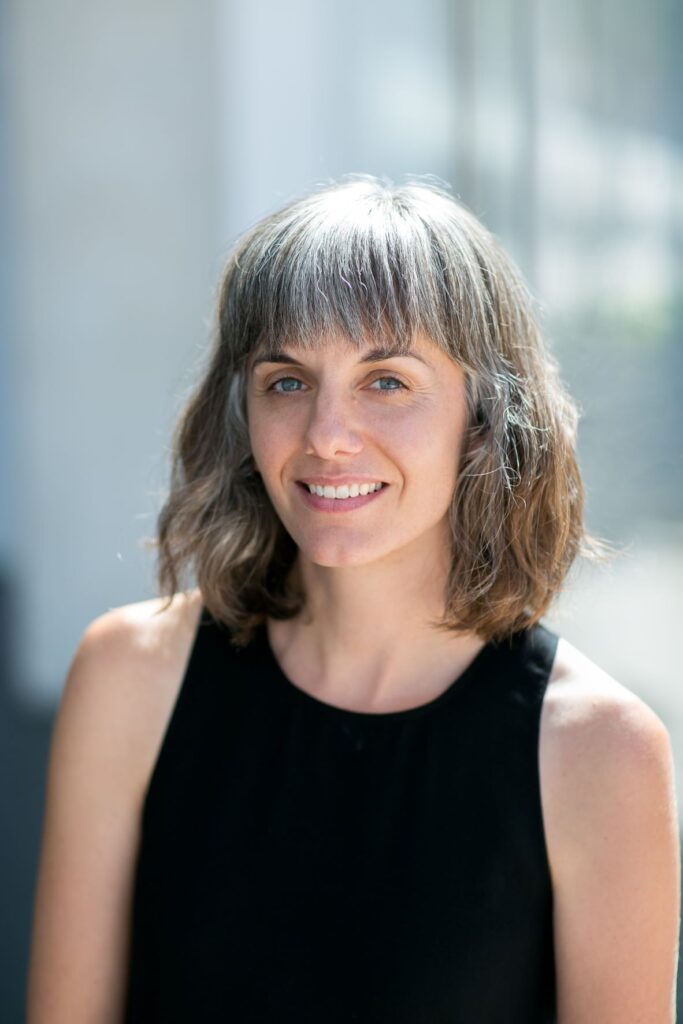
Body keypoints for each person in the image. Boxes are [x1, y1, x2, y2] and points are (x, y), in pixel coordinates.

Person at [27, 175, 680, 1023]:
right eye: (288, 381)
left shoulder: (598, 750)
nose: (327, 435)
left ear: (484, 416)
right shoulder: (128, 677)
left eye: (386, 381)